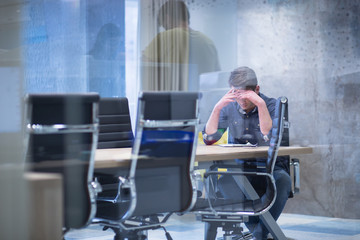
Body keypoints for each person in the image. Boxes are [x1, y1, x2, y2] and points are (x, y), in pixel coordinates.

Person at [202, 66, 291, 240]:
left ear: (257, 89)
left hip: (269, 169)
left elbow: (269, 135)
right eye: (236, 94)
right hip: (239, 169)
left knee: (283, 181)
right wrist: (218, 107)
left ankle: (259, 233)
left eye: (245, 95)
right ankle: (260, 232)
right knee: (224, 183)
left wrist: (259, 103)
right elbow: (210, 138)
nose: (241, 100)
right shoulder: (230, 107)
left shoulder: (272, 105)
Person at [142, 0, 220, 91]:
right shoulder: (208, 42)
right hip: (202, 102)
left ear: (167, 19)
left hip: (174, 101)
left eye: (163, 24)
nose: (164, 28)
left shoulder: (165, 37)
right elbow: (216, 76)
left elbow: (145, 67)